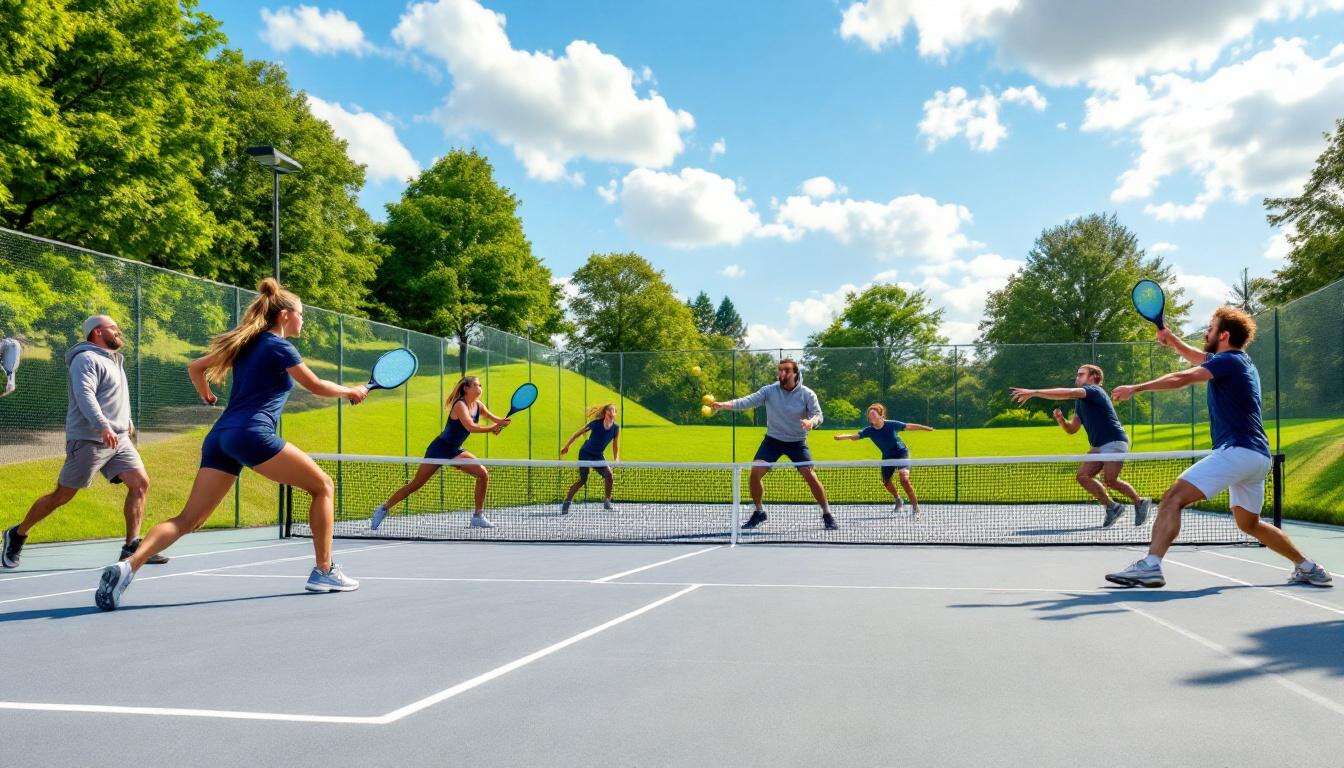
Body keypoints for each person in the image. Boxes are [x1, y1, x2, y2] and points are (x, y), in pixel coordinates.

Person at [93, 279, 369, 611]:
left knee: (188, 519)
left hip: (220, 436)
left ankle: (128, 566)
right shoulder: (279, 346)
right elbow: (314, 385)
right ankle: (324, 570)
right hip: (251, 434)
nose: (303, 321)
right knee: (323, 485)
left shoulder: (245, 345)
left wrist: (207, 395)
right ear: (284, 316)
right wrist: (350, 391)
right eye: (301, 314)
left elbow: (196, 368)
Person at [1105, 306, 1331, 588]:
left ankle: (1151, 565)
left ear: (1223, 335)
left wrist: (1135, 388)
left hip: (1237, 450)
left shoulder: (1229, 362)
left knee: (1173, 499)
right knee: (1249, 524)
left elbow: (1183, 377)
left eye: (1210, 328)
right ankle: (1308, 567)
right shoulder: (1240, 361)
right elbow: (1199, 358)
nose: (1205, 332)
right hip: (1257, 457)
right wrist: (1172, 339)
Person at [3, 317, 164, 569]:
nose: (119, 331)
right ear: (98, 332)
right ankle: (18, 534)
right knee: (62, 495)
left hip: (118, 438)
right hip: (89, 439)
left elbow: (112, 396)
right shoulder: (85, 359)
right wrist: (102, 425)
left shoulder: (115, 360)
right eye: (113, 328)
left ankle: (131, 546)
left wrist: (126, 421)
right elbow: (85, 394)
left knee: (140, 483)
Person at [1010, 364, 1151, 528]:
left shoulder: (1094, 390)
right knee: (1083, 476)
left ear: (1094, 377)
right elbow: (1073, 429)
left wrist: (1034, 392)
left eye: (1081, 374)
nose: (1077, 377)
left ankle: (1139, 502)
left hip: (1114, 440)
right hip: (1098, 445)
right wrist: (1061, 420)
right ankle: (1113, 507)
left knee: (1110, 480)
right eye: (1077, 374)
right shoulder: (1080, 402)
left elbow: (1068, 393)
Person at [710, 358, 836, 530]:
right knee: (755, 472)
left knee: (810, 475)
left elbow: (818, 415)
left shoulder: (807, 394)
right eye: (780, 370)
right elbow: (747, 401)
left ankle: (827, 513)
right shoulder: (769, 391)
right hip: (773, 440)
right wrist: (724, 405)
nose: (782, 373)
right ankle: (759, 512)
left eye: (786, 370)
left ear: (795, 373)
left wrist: (811, 422)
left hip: (797, 442)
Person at [370, 375, 508, 531]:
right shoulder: (460, 405)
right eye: (476, 385)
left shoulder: (478, 406)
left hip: (455, 450)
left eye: (480, 385)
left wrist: (500, 424)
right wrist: (491, 429)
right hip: (439, 449)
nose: (480, 388)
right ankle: (383, 508)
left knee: (482, 473)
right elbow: (470, 427)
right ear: (466, 388)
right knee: (416, 484)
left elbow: (496, 420)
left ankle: (478, 516)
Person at [833, 403, 933, 517]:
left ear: (881, 416)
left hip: (901, 453)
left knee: (904, 479)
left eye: (873, 414)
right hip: (887, 457)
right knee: (886, 483)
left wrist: (925, 428)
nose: (871, 417)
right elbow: (855, 437)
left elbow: (909, 426)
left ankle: (916, 508)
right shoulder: (869, 430)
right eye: (870, 416)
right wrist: (843, 437)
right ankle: (898, 499)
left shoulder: (891, 424)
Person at [559, 404, 620, 513]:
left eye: (613, 411)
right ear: (605, 412)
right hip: (585, 454)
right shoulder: (596, 424)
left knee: (609, 475)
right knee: (583, 480)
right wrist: (567, 446)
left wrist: (616, 459)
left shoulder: (615, 428)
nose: (612, 413)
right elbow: (577, 434)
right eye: (610, 410)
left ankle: (607, 502)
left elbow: (615, 445)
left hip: (598, 456)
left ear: (615, 414)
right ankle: (567, 502)